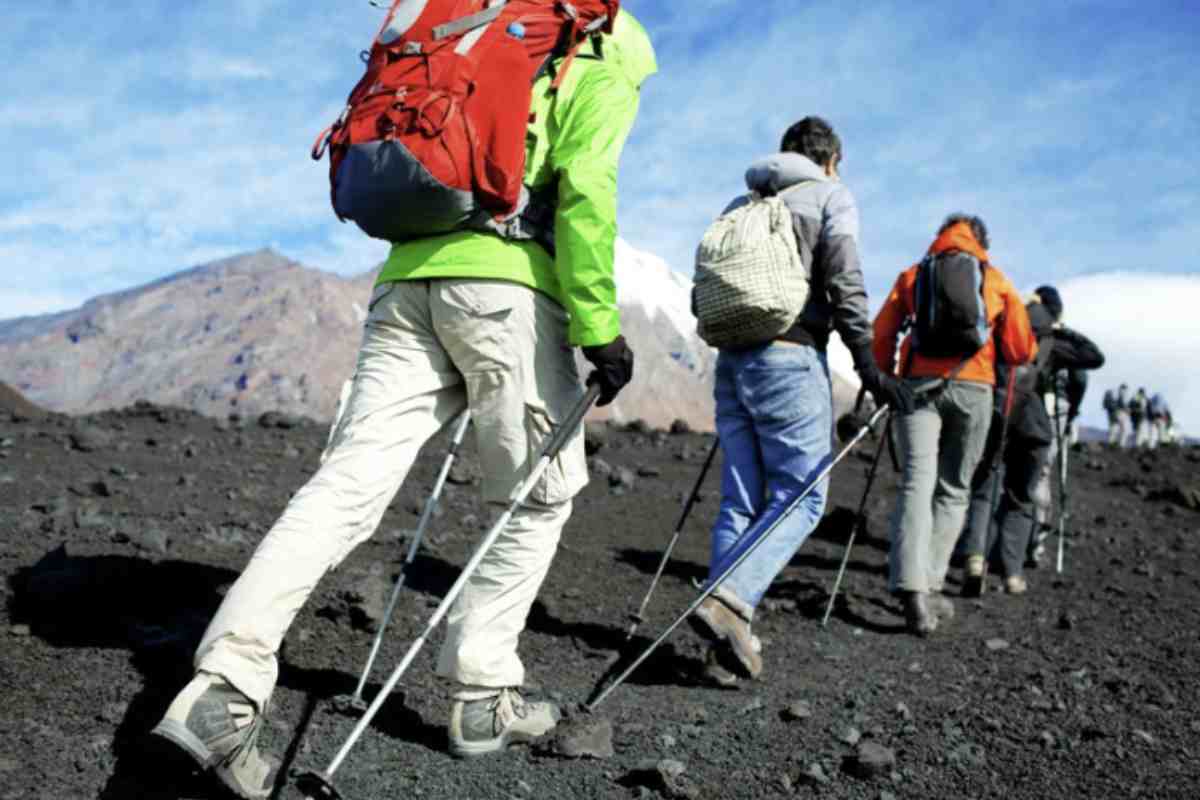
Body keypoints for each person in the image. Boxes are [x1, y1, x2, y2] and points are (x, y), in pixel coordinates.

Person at [150, 12, 657, 796]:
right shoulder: (603, 47)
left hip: (404, 281)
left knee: (346, 485)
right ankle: (482, 697)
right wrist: (599, 329)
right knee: (534, 496)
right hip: (505, 289)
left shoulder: (475, 26)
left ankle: (223, 687)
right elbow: (588, 186)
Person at [688, 116, 913, 684]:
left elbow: (703, 285)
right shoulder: (830, 194)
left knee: (742, 499)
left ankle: (723, 645)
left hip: (732, 359)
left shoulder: (743, 199)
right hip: (790, 355)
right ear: (831, 159)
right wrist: (867, 362)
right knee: (803, 496)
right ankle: (731, 598)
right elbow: (845, 280)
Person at [872, 214, 1036, 635]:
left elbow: (883, 333)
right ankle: (929, 584)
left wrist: (884, 379)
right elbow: (1020, 350)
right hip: (973, 389)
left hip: (917, 388)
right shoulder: (995, 279)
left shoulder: (913, 276)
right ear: (982, 242)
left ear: (940, 237)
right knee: (953, 490)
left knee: (916, 483)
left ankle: (908, 585)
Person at [960, 291, 1104, 595]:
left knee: (984, 489)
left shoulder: (1002, 322)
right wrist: (1061, 328)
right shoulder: (1052, 339)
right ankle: (1012, 574)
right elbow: (1094, 357)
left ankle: (975, 559)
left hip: (995, 412)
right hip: (1033, 423)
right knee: (1020, 496)